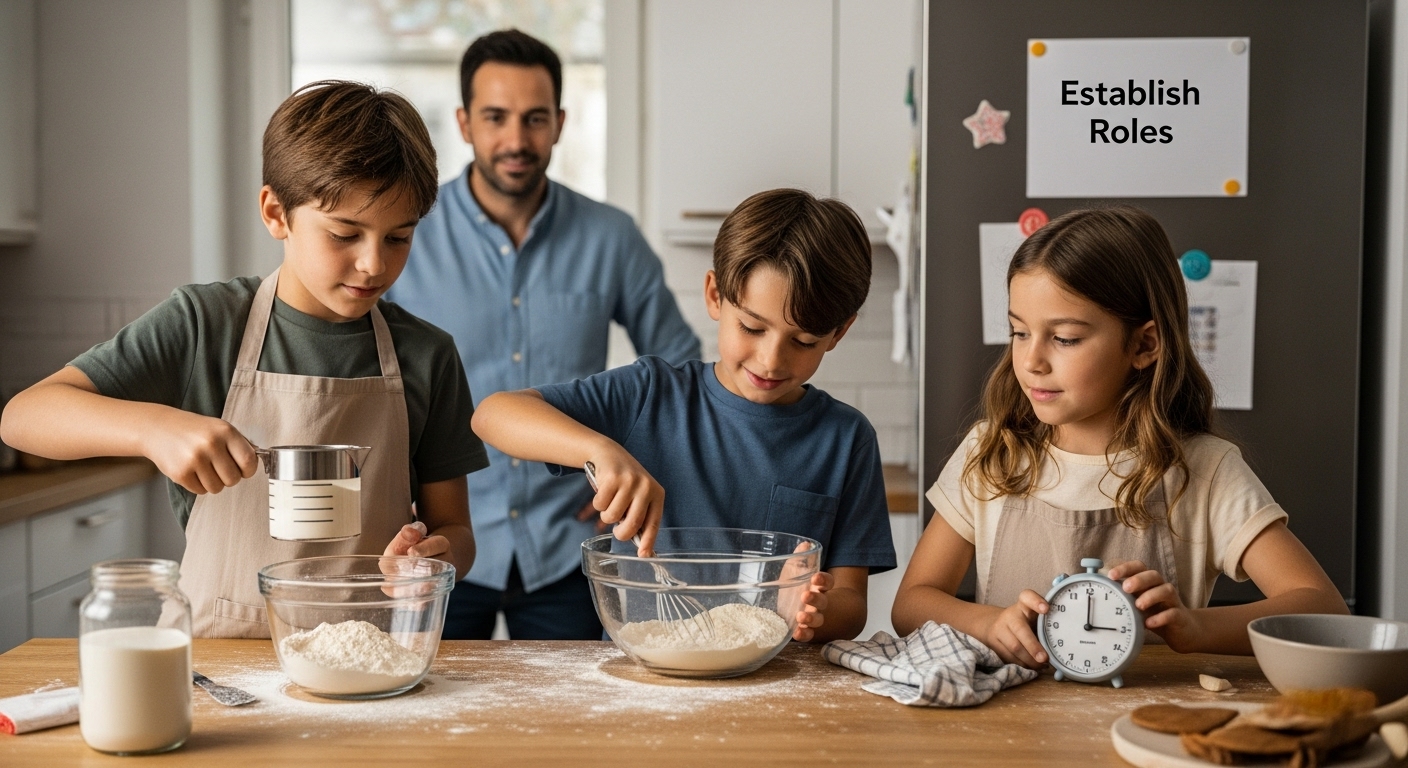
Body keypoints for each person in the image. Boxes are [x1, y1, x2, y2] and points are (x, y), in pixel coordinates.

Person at [0, 81, 486, 638]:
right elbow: (23, 417)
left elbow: (456, 528)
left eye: (398, 238)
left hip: (375, 660)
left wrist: (433, 560)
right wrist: (153, 428)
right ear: (276, 213)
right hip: (219, 664)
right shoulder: (205, 324)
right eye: (345, 234)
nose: (373, 264)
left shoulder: (427, 355)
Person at [891, 206, 1347, 666]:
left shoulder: (1205, 472)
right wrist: (985, 623)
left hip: (1145, 721)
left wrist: (1194, 627)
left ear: (1144, 345)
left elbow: (1320, 607)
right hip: (1012, 723)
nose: (1031, 360)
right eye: (1019, 332)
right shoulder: (991, 452)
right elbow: (912, 604)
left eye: (1064, 338)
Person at [471, 189, 897, 643]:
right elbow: (493, 414)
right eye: (752, 328)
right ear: (715, 296)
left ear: (839, 332)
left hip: (776, 687)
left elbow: (852, 604)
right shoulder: (648, 394)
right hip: (645, 684)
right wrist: (599, 449)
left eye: (804, 341)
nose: (772, 360)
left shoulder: (846, 439)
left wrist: (815, 608)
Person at [386, 29, 699, 641]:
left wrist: (638, 462)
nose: (515, 140)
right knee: (432, 724)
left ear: (558, 123)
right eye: (495, 117)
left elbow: (681, 370)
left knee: (577, 729)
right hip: (439, 540)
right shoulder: (405, 234)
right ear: (464, 123)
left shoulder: (612, 239)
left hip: (570, 547)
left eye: (534, 119)